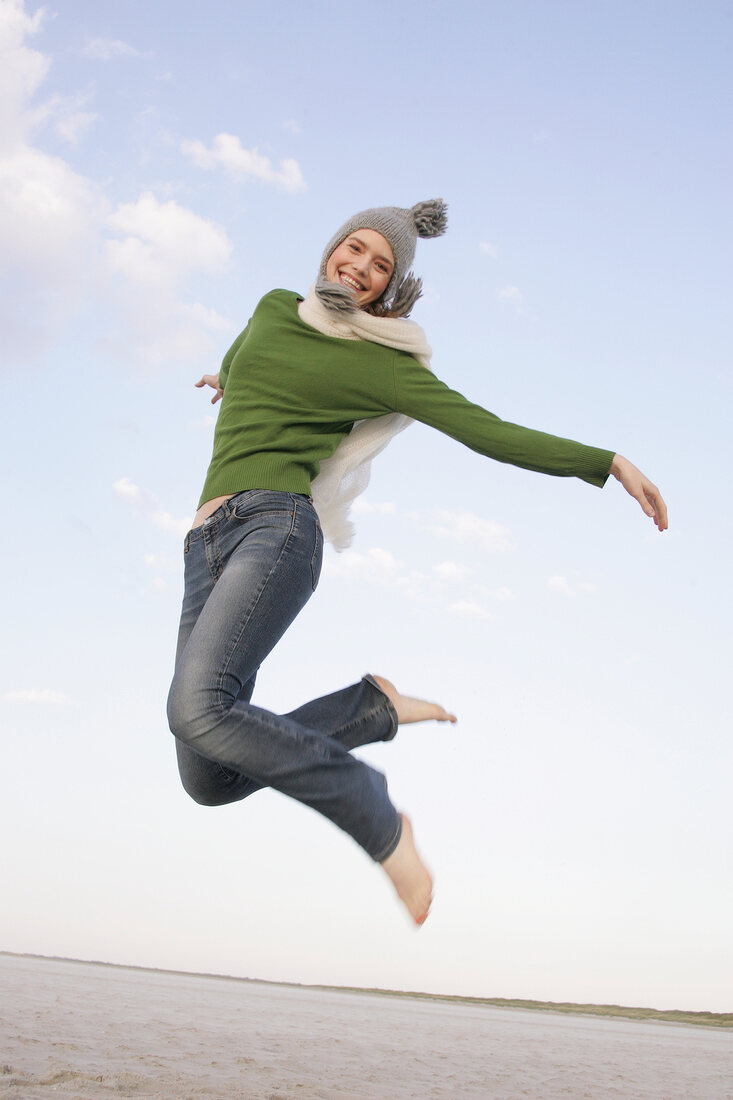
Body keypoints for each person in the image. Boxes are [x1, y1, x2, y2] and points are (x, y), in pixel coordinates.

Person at [167, 199, 667, 927]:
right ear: (334, 245)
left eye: (381, 266)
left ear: (392, 285)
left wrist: (606, 462)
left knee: (196, 709)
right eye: (356, 249)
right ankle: (367, 709)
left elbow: (486, 430)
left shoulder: (382, 364)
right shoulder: (275, 308)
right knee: (206, 776)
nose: (361, 269)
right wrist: (226, 378)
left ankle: (374, 814)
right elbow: (253, 359)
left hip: (275, 532)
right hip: (203, 546)